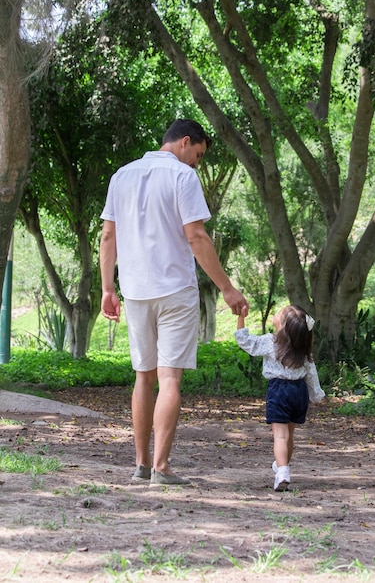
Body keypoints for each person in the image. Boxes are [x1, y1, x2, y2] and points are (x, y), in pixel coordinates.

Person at [100, 118, 248, 486]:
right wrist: (227, 289)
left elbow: (107, 236)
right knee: (169, 380)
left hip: (134, 290)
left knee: (143, 378)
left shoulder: (122, 176)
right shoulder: (183, 178)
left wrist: (107, 288)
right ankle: (161, 468)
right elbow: (197, 237)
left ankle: (140, 465)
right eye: (197, 156)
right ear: (185, 142)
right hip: (175, 290)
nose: (196, 164)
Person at [234, 304, 324, 491]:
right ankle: (282, 466)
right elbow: (311, 374)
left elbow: (246, 342)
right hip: (299, 393)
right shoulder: (303, 350)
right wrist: (316, 395)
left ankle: (282, 472)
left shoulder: (271, 341)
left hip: (279, 391)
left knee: (280, 436)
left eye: (279, 313)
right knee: (289, 435)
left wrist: (241, 318)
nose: (276, 314)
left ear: (282, 325)